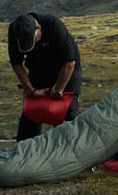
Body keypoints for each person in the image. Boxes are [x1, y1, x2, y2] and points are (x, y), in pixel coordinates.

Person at [7, 12, 82, 140]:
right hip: (38, 66)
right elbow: (16, 64)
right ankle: (24, 153)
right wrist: (31, 91)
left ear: (39, 28)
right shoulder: (15, 30)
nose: (32, 45)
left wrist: (58, 90)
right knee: (31, 113)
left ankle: (77, 148)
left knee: (70, 110)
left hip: (65, 66)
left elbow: (69, 62)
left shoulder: (53, 24)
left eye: (33, 40)